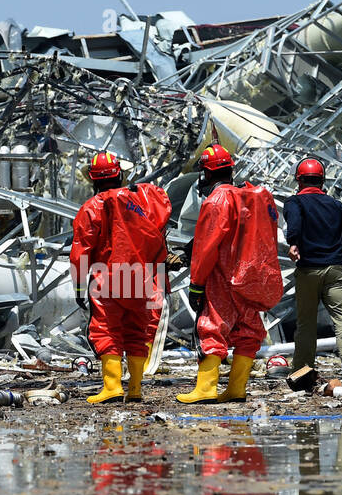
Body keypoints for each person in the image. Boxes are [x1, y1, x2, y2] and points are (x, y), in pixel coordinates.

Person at [178, 144, 282, 403]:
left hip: (222, 278)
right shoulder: (251, 197)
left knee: (211, 328)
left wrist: (196, 285)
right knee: (249, 330)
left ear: (207, 173)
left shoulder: (217, 199)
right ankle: (236, 388)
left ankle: (205, 389)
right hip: (252, 277)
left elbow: (206, 247)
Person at [70, 151, 172, 403]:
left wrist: (79, 286)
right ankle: (135, 389)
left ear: (93, 180)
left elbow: (81, 251)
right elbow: (162, 209)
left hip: (108, 279)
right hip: (142, 278)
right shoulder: (142, 201)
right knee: (138, 331)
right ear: (119, 174)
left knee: (107, 330)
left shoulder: (91, 207)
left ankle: (113, 387)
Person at [284, 157, 342, 387]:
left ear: (299, 181)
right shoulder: (335, 204)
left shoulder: (294, 203)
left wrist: (294, 243)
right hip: (336, 270)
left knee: (306, 323)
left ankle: (302, 370)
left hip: (309, 270)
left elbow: (295, 224)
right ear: (322, 181)